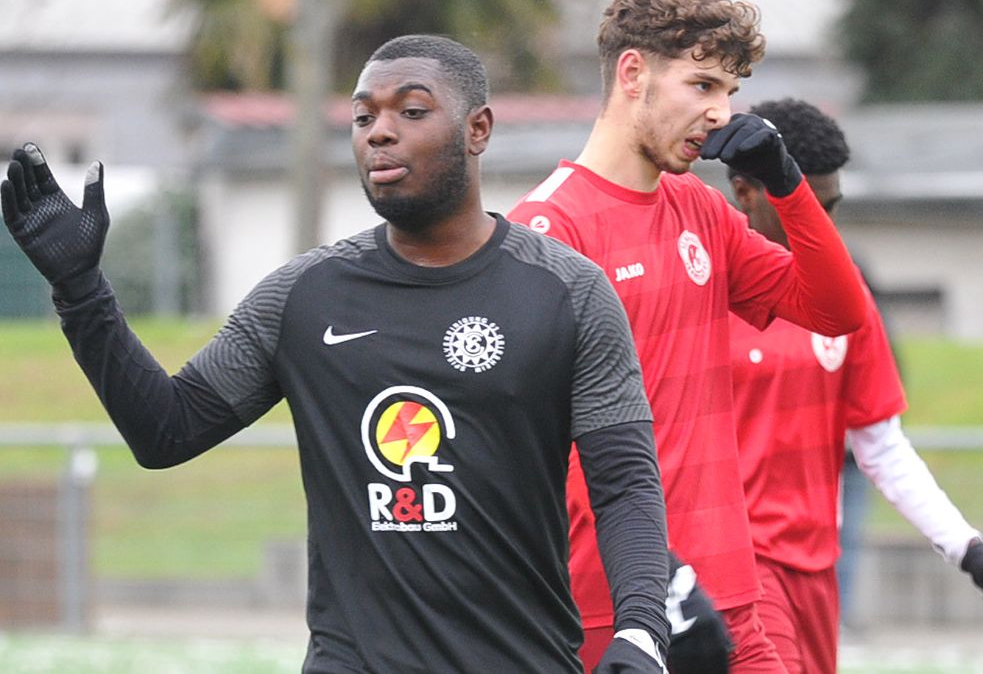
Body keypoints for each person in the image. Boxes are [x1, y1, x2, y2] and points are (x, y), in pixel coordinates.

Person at [1, 34, 673, 673]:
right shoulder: (304, 295)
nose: (379, 132)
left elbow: (624, 484)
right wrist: (81, 291)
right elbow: (165, 430)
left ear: (478, 130)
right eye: (362, 117)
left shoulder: (567, 291)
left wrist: (641, 630)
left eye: (411, 111)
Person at [507, 0, 868, 672]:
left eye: (729, 92)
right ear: (632, 73)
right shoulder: (548, 229)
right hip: (618, 609)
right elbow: (540, 443)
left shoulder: (698, 209)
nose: (720, 112)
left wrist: (786, 184)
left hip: (731, 592)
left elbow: (837, 312)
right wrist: (662, 583)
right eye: (701, 84)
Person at [727, 97, 983, 674]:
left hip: (818, 569)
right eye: (802, 206)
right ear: (746, 193)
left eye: (830, 207)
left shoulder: (847, 298)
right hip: (736, 569)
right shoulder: (700, 288)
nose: (820, 224)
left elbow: (881, 444)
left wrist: (965, 546)